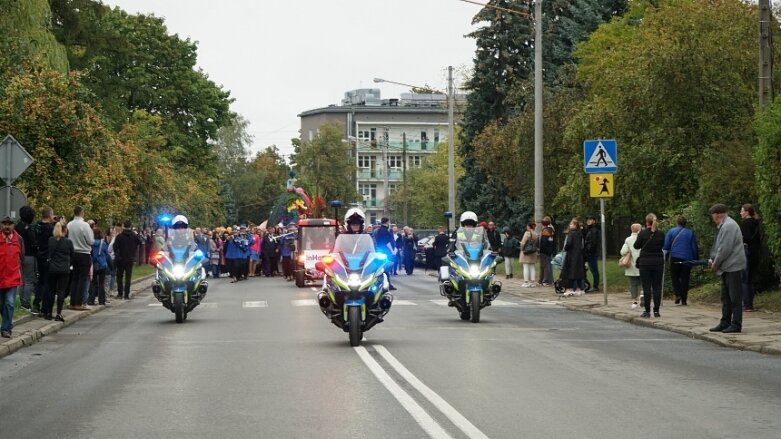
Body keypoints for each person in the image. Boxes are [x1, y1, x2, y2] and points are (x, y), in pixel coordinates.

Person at [708, 204, 747, 333]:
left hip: (733, 266)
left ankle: (736, 324)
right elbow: (718, 246)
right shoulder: (723, 226)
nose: (713, 218)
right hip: (727, 267)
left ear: (718, 214)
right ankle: (725, 322)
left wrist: (716, 263)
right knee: (726, 297)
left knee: (735, 297)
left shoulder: (728, 226)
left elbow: (725, 248)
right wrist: (712, 258)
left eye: (713, 215)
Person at [634, 213, 665, 318]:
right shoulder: (661, 234)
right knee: (657, 287)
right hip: (658, 262)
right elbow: (663, 245)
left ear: (646, 222)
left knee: (646, 287)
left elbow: (636, 246)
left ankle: (647, 311)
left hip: (645, 263)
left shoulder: (642, 233)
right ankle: (656, 311)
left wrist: (639, 235)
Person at [663, 215, 699, 306]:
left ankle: (678, 294)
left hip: (675, 256)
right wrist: (695, 259)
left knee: (674, 276)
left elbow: (666, 245)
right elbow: (694, 247)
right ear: (685, 223)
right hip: (687, 258)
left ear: (677, 223)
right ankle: (684, 299)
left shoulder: (671, 231)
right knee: (685, 278)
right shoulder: (690, 232)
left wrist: (665, 257)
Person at [66, 206, 94, 310]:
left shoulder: (69, 224)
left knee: (74, 278)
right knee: (82, 279)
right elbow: (90, 241)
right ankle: (79, 302)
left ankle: (72, 302)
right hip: (84, 253)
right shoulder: (85, 225)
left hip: (73, 253)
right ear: (82, 212)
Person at [45, 221, 73, 322]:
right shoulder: (68, 242)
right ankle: (58, 313)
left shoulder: (51, 240)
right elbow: (72, 255)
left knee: (51, 290)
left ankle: (48, 313)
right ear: (65, 230)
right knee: (61, 290)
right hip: (64, 269)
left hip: (52, 268)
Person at [1, 216, 24, 337]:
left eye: (9, 224)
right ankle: (6, 324)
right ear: (2, 225)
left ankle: (6, 329)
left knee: (9, 303)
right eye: (5, 224)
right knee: (2, 305)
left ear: (13, 226)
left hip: (13, 277)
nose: (7, 226)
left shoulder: (18, 239)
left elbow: (22, 257)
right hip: (0, 278)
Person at [14, 206, 37, 314]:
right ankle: (26, 303)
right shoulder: (29, 228)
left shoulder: (17, 227)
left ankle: (22, 300)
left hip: (19, 255)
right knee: (29, 280)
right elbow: (33, 243)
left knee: (22, 279)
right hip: (29, 255)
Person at [33, 206, 56, 316]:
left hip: (39, 255)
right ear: (49, 215)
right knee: (47, 282)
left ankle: (36, 302)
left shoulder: (37, 226)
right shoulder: (50, 228)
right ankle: (44, 306)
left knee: (40, 281)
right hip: (48, 256)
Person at [740, 203, 760, 312]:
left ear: (747, 212)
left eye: (742, 211)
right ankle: (749, 303)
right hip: (754, 253)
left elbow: (746, 238)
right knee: (750, 279)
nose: (740, 213)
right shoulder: (756, 223)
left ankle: (747, 304)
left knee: (745, 279)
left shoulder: (746, 224)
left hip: (747, 252)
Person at [112, 220, 139, 300]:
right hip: (130, 259)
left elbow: (114, 247)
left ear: (123, 226)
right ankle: (127, 294)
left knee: (119, 276)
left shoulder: (119, 236)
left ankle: (120, 293)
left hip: (121, 259)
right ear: (130, 226)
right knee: (128, 277)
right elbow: (140, 242)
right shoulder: (134, 236)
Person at [621, 223, 643, 309]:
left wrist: (629, 252)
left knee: (633, 283)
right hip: (642, 263)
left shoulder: (628, 240)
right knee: (642, 282)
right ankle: (641, 295)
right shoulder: (643, 238)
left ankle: (634, 301)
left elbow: (623, 251)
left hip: (631, 265)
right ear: (639, 230)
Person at [561, 219, 586, 296]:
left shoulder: (571, 234)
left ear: (575, 225)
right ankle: (579, 288)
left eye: (571, 224)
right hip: (578, 255)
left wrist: (565, 248)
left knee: (568, 272)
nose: (570, 225)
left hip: (571, 255)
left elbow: (568, 243)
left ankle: (570, 289)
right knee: (578, 272)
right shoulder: (580, 234)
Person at [373, 217, 397, 290]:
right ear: (387, 222)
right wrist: (392, 251)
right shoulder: (385, 231)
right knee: (385, 268)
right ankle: (387, 284)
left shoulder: (379, 230)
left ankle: (386, 283)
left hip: (380, 250)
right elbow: (387, 242)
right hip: (386, 252)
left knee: (382, 268)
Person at [88, 228, 109, 306]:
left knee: (93, 282)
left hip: (93, 264)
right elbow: (106, 253)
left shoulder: (91, 243)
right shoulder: (103, 243)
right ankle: (101, 300)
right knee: (101, 282)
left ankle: (91, 300)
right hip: (102, 264)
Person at [584, 215, 601, 291]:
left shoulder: (594, 230)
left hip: (591, 252)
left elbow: (593, 242)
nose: (588, 221)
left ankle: (595, 286)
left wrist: (589, 250)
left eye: (590, 219)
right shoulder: (589, 229)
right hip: (589, 252)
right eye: (587, 219)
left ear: (594, 221)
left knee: (594, 269)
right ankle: (587, 284)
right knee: (588, 269)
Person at [519, 222, 538, 287]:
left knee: (526, 266)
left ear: (529, 227)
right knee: (532, 267)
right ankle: (532, 282)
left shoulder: (527, 233)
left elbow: (523, 243)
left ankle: (526, 282)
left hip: (526, 252)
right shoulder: (535, 233)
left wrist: (521, 248)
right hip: (533, 252)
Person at [538, 217, 555, 286]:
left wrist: (540, 250)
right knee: (548, 265)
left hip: (545, 251)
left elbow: (544, 242)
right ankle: (548, 280)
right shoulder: (551, 229)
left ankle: (547, 280)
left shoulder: (545, 231)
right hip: (549, 250)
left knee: (546, 266)